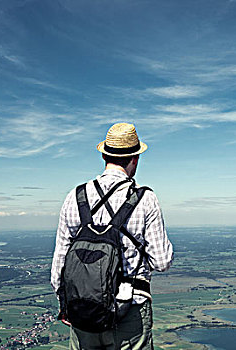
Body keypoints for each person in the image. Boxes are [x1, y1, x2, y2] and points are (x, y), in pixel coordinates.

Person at [51, 122, 174, 350]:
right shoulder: (145, 199)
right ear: (135, 159)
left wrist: (65, 304)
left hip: (84, 309)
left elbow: (59, 263)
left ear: (104, 156)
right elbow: (162, 262)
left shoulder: (75, 196)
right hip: (130, 310)